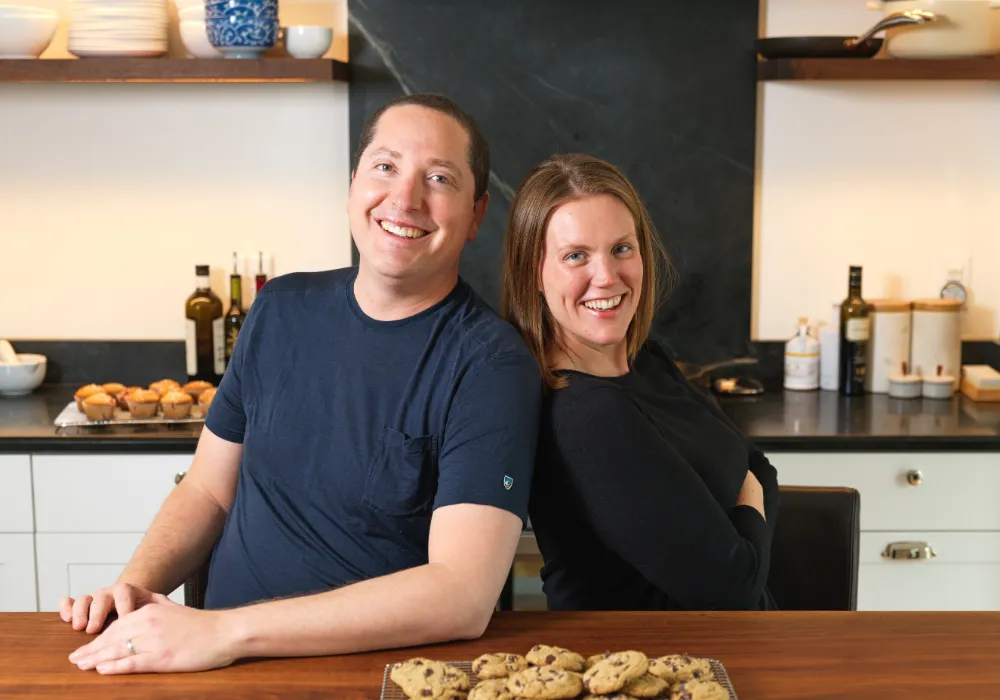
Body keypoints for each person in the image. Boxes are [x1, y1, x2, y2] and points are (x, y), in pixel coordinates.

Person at [60, 94, 543, 674]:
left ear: (476, 214)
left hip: (362, 676)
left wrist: (224, 631)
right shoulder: (281, 308)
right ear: (352, 187)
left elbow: (462, 596)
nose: (405, 197)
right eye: (385, 167)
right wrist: (133, 590)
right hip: (206, 663)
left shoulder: (491, 364)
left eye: (439, 178)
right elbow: (208, 491)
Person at [499, 153, 778, 611]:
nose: (607, 277)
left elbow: (760, 467)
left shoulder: (647, 359)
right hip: (646, 669)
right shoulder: (586, 415)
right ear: (535, 273)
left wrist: (743, 536)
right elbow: (734, 589)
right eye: (576, 256)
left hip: (726, 651)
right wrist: (746, 507)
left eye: (621, 249)